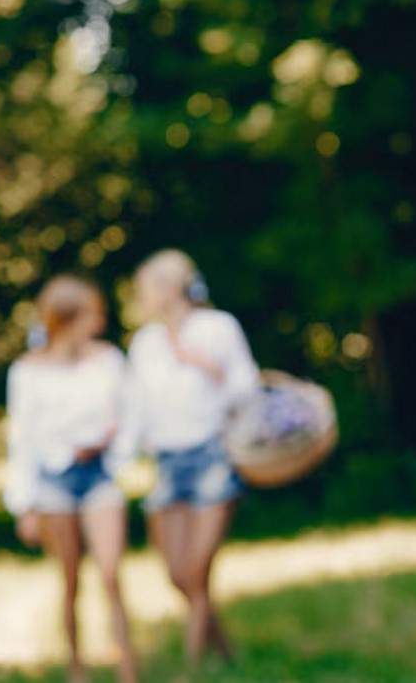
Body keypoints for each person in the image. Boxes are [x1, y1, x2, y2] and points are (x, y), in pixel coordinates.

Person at [114, 249, 259, 666]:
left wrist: (206, 366)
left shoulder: (218, 328)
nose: (140, 297)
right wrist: (123, 461)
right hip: (166, 462)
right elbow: (135, 407)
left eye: (143, 288)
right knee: (177, 575)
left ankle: (192, 668)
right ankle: (225, 651)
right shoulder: (146, 343)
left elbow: (246, 391)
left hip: (212, 456)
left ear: (169, 288)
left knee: (196, 571)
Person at [4, 274, 137, 683]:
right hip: (52, 482)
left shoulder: (108, 360)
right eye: (90, 314)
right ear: (65, 320)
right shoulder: (27, 371)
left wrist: (113, 455)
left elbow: (129, 417)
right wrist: (23, 503)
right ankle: (77, 667)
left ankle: (128, 668)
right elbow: (22, 439)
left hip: (97, 475)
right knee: (69, 580)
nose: (98, 321)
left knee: (112, 573)